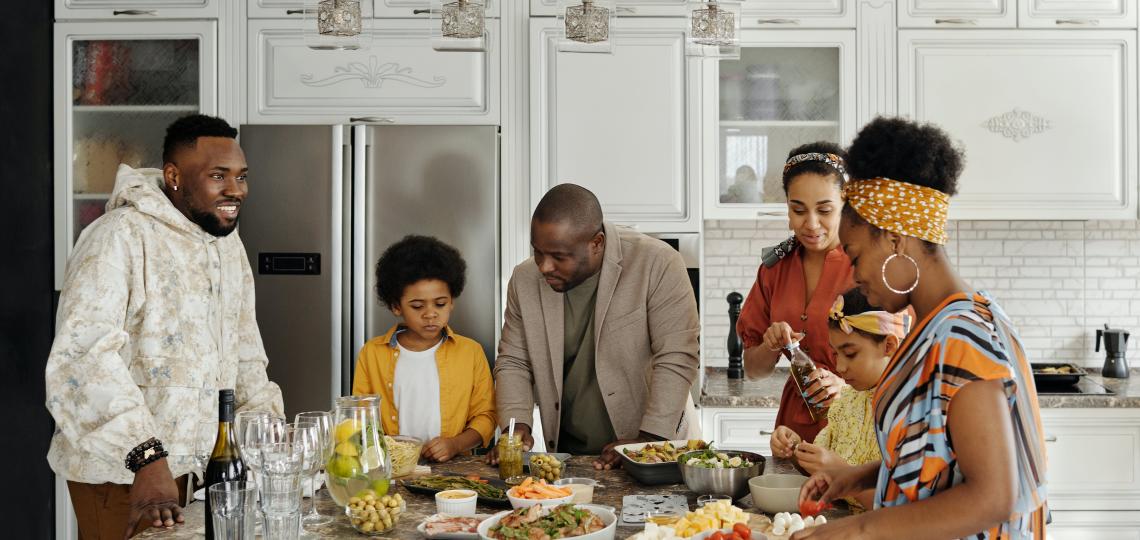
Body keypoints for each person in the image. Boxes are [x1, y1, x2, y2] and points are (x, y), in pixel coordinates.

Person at [793, 117, 1048, 539]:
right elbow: (946, 460)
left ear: (894, 240)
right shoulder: (954, 319)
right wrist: (861, 477)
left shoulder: (961, 337)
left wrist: (855, 531)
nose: (855, 277)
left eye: (855, 256)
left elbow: (994, 495)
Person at [45, 114, 284, 539]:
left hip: (202, 475)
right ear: (174, 176)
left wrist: (267, 436)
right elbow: (81, 360)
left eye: (241, 176)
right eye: (217, 176)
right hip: (126, 474)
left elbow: (244, 352)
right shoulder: (117, 237)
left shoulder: (227, 247)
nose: (235, 190)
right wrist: (147, 457)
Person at [491, 183, 700, 470]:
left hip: (657, 449)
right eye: (538, 252)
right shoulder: (523, 280)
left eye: (558, 257)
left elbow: (677, 356)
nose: (544, 267)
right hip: (572, 457)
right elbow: (513, 360)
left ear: (597, 243)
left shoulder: (658, 263)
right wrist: (515, 427)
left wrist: (646, 443)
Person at [736, 142, 854, 444]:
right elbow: (754, 370)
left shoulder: (866, 267)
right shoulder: (774, 268)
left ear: (846, 203)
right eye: (798, 209)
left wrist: (845, 386)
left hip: (856, 425)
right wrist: (770, 345)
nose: (811, 224)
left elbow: (900, 363)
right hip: (793, 432)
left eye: (825, 210)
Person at [352, 235, 496, 462]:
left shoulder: (470, 352)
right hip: (392, 471)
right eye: (418, 306)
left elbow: (486, 416)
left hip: (454, 471)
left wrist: (455, 444)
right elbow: (359, 419)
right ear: (396, 306)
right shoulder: (372, 353)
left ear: (452, 301)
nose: (431, 314)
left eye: (440, 304)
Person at [770, 288, 908, 512]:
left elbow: (905, 512)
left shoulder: (910, 409)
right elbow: (822, 466)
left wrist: (844, 475)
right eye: (836, 354)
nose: (840, 367)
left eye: (851, 353)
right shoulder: (847, 401)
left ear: (889, 346)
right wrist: (795, 448)